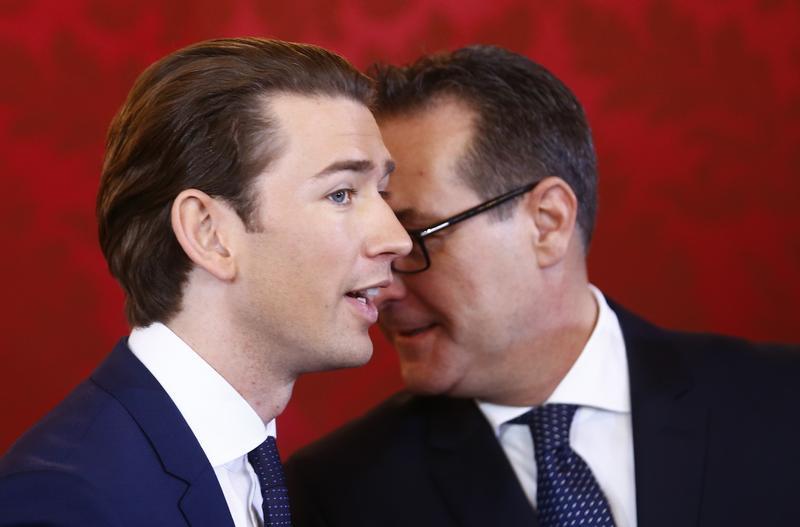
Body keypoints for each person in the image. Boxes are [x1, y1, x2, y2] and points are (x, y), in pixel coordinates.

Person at [285, 45, 800, 527]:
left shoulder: (779, 404)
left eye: (416, 237)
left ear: (547, 222)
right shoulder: (338, 494)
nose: (382, 288)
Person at [0, 37, 410, 527]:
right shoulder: (66, 501)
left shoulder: (259, 469)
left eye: (381, 192)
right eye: (341, 194)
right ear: (209, 234)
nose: (397, 238)